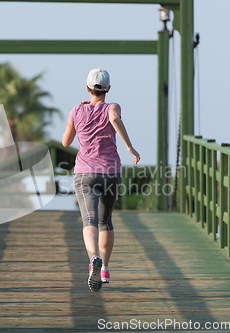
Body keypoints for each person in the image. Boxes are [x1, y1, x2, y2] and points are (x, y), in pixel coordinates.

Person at [62, 68, 140, 292]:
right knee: (106, 221)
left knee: (89, 220)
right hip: (111, 172)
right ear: (108, 90)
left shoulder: (76, 111)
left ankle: (93, 258)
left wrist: (80, 114)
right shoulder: (112, 107)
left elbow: (65, 142)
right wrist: (129, 147)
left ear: (87, 88)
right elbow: (114, 117)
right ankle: (104, 269)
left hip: (85, 173)